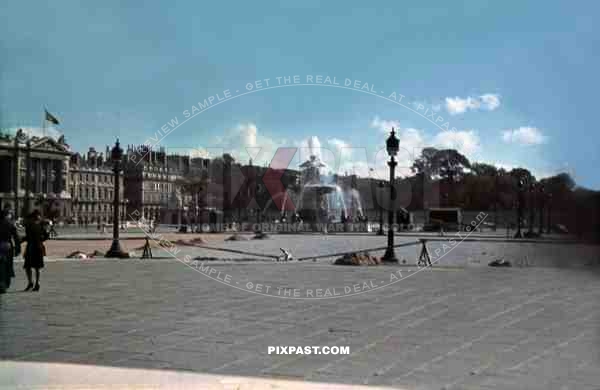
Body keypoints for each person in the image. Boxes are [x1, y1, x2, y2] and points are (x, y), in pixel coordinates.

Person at [22, 210, 48, 292]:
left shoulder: (29, 225)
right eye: (39, 216)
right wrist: (40, 240)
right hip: (39, 247)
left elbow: (28, 237)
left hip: (31, 247)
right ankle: (37, 283)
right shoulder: (41, 225)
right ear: (37, 217)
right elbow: (46, 236)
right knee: (38, 267)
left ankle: (30, 282)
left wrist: (21, 240)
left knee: (28, 266)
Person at [0, 208, 19, 294]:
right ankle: (5, 284)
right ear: (8, 214)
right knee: (8, 264)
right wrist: (18, 248)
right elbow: (16, 237)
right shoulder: (11, 223)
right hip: (7, 245)